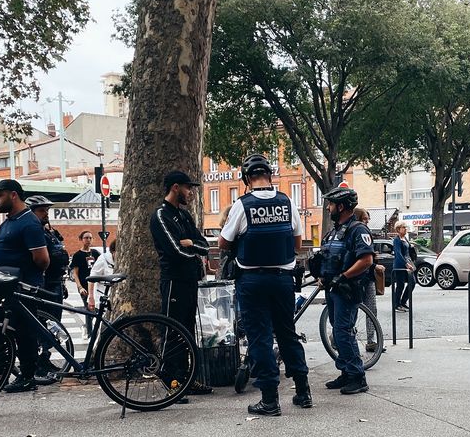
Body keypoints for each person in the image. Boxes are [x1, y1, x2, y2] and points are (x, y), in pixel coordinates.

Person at [218, 153, 310, 416]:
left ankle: (270, 399)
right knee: (287, 334)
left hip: (253, 280)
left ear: (247, 179)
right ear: (270, 176)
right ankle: (303, 392)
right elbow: (298, 244)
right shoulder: (287, 202)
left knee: (259, 337)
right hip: (283, 279)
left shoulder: (242, 205)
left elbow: (223, 242)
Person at [0, 178, 50, 393]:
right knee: (1, 330)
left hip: (24, 287)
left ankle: (28, 376)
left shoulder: (29, 222)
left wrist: (22, 272)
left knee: (24, 333)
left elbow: (42, 260)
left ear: (13, 195)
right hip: (7, 287)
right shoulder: (8, 221)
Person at [151, 169, 211, 398]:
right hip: (174, 281)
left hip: (190, 281)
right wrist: (191, 248)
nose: (191, 193)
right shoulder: (160, 215)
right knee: (172, 329)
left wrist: (192, 245)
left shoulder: (183, 215)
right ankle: (169, 376)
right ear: (175, 187)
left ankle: (187, 377)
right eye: (188, 188)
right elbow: (175, 251)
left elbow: (204, 246)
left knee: (187, 330)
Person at [319, 187, 375, 394]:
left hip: (347, 289)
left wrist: (343, 277)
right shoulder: (336, 230)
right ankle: (346, 372)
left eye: (331, 204)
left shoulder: (357, 229)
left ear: (341, 206)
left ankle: (357, 376)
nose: (328, 208)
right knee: (338, 330)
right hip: (333, 288)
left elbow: (366, 260)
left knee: (343, 332)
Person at [26, 195, 71, 383]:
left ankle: (45, 358)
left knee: (53, 325)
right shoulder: (33, 232)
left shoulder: (49, 232)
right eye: (42, 210)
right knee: (40, 325)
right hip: (42, 287)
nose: (46, 214)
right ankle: (37, 363)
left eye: (46, 210)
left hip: (55, 283)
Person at [355, 207, 381, 353]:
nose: (367, 222)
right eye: (365, 219)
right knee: (352, 310)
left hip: (368, 276)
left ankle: (371, 340)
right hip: (358, 278)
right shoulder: (355, 232)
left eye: (368, 220)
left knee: (372, 309)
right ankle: (339, 337)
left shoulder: (366, 233)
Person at [70, 230, 100, 335]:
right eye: (86, 238)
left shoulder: (95, 253)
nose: (88, 240)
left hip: (95, 286)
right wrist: (80, 287)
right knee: (89, 309)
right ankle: (90, 333)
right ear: (81, 239)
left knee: (95, 309)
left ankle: (87, 327)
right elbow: (75, 274)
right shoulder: (77, 255)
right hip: (84, 286)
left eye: (90, 238)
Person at [392, 222, 415, 312]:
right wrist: (406, 264)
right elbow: (398, 253)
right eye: (403, 227)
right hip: (400, 265)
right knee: (400, 285)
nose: (405, 229)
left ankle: (403, 302)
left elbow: (407, 252)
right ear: (398, 229)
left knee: (412, 282)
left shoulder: (405, 238)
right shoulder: (397, 240)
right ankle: (397, 304)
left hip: (408, 263)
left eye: (406, 227)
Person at [88, 239, 116, 310]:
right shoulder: (103, 259)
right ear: (113, 251)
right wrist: (91, 297)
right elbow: (92, 278)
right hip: (103, 296)